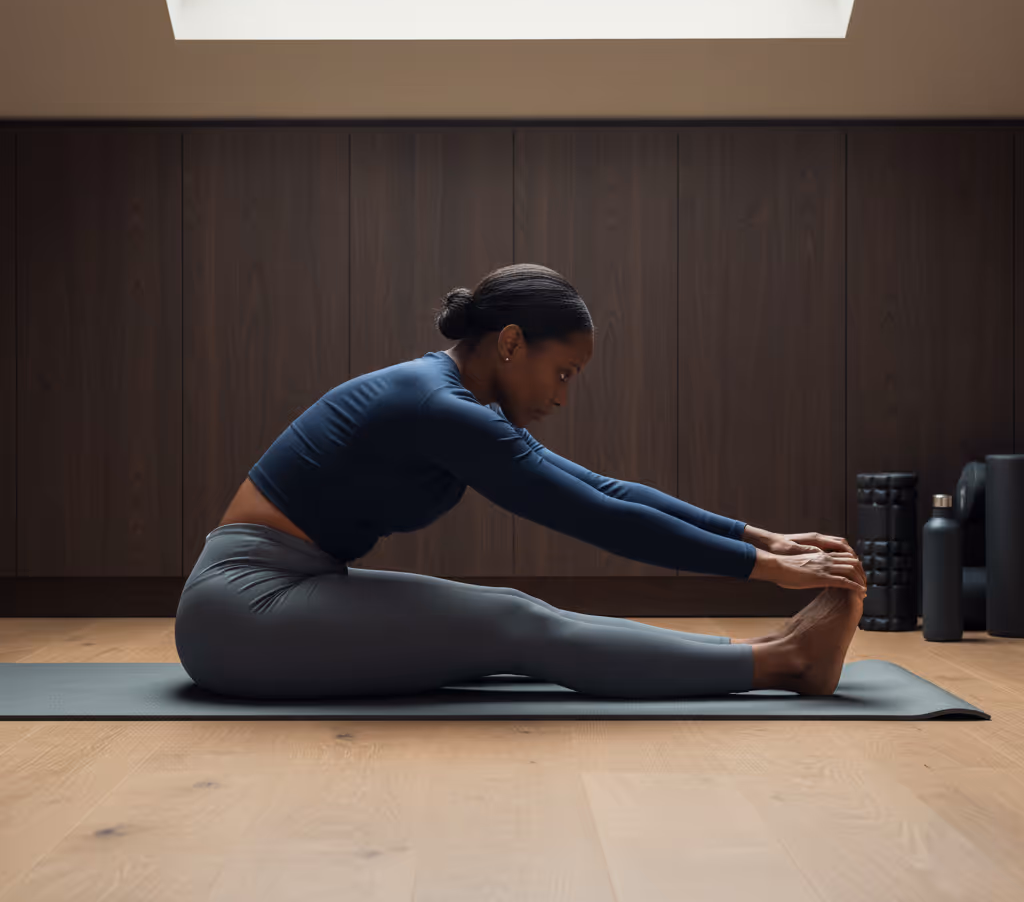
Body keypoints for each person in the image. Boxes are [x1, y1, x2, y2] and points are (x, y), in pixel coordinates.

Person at [174, 263, 866, 701]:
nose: (562, 397)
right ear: (510, 344)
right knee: (513, 623)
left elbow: (604, 488)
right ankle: (782, 662)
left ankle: (766, 655)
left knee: (506, 620)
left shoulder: (448, 397)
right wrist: (768, 570)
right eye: (561, 372)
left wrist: (762, 537)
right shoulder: (440, 409)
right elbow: (596, 518)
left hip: (288, 592)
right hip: (242, 615)